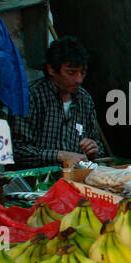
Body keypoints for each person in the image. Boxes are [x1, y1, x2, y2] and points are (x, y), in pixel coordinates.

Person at [11, 36, 106, 168]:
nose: (79, 79)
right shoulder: (31, 97)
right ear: (51, 69)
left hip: (76, 178)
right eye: (71, 72)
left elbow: (98, 147)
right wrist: (59, 155)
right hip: (38, 181)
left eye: (82, 73)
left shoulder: (84, 100)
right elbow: (18, 151)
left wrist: (94, 149)